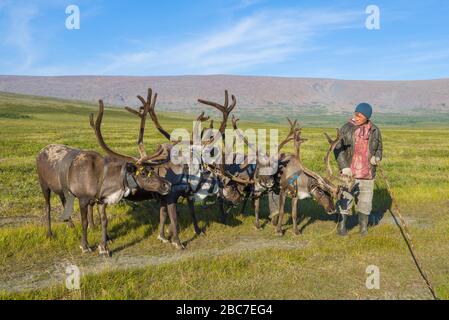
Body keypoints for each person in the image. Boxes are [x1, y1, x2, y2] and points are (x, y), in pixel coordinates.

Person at [334, 103, 383, 236]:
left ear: (367, 116)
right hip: (349, 172)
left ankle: (363, 228)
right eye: (356, 114)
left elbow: (379, 148)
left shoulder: (375, 130)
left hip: (367, 173)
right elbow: (337, 148)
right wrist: (344, 167)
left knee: (365, 201)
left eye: (360, 115)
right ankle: (342, 226)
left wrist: (376, 158)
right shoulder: (346, 128)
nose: (356, 117)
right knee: (345, 198)